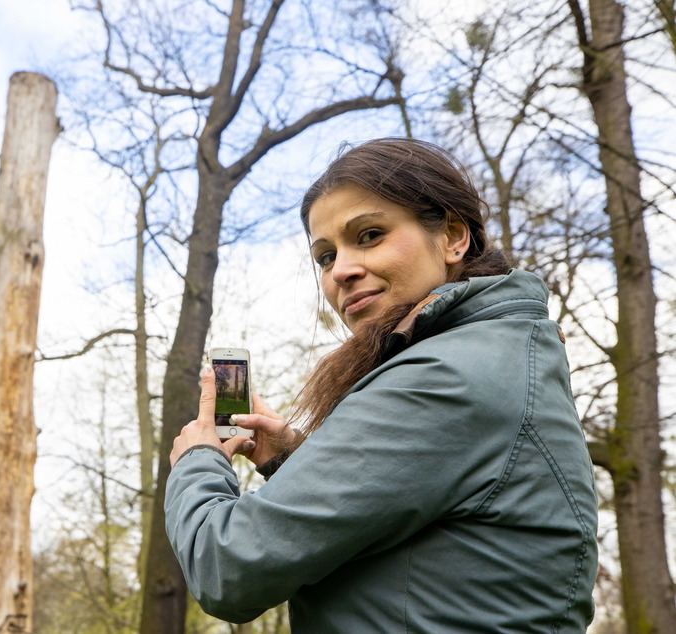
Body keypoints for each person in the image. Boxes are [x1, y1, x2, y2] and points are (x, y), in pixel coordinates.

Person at [165, 138, 598, 632]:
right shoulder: (487, 356)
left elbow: (227, 568)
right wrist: (292, 459)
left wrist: (197, 462)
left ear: (454, 237)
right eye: (325, 257)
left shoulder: (446, 377)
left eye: (369, 234)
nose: (341, 271)